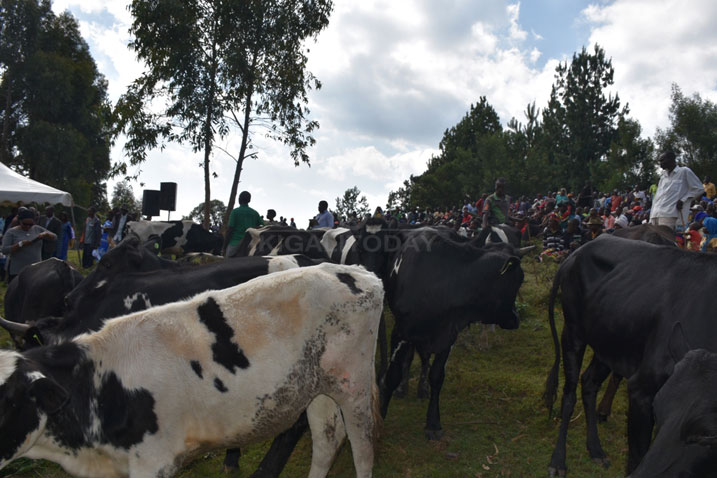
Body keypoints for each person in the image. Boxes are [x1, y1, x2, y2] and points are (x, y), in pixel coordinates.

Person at [650, 151, 704, 231]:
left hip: (669, 215)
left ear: (671, 159)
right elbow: (657, 197)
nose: (660, 163)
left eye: (662, 160)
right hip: (655, 214)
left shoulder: (684, 171)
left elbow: (699, 189)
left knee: (666, 241)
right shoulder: (663, 177)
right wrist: (651, 217)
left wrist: (683, 200)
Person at [1, 207, 57, 282]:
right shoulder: (11, 232)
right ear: (20, 221)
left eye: (30, 224)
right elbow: (4, 250)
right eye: (25, 224)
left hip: (36, 270)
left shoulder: (37, 229)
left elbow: (55, 237)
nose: (28, 226)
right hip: (17, 270)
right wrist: (20, 244)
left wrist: (47, 234)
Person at [224, 191, 263, 257]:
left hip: (235, 243)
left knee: (227, 263)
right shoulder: (255, 213)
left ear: (239, 199)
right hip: (250, 245)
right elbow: (262, 226)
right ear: (249, 200)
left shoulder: (235, 212)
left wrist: (224, 247)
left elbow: (230, 229)